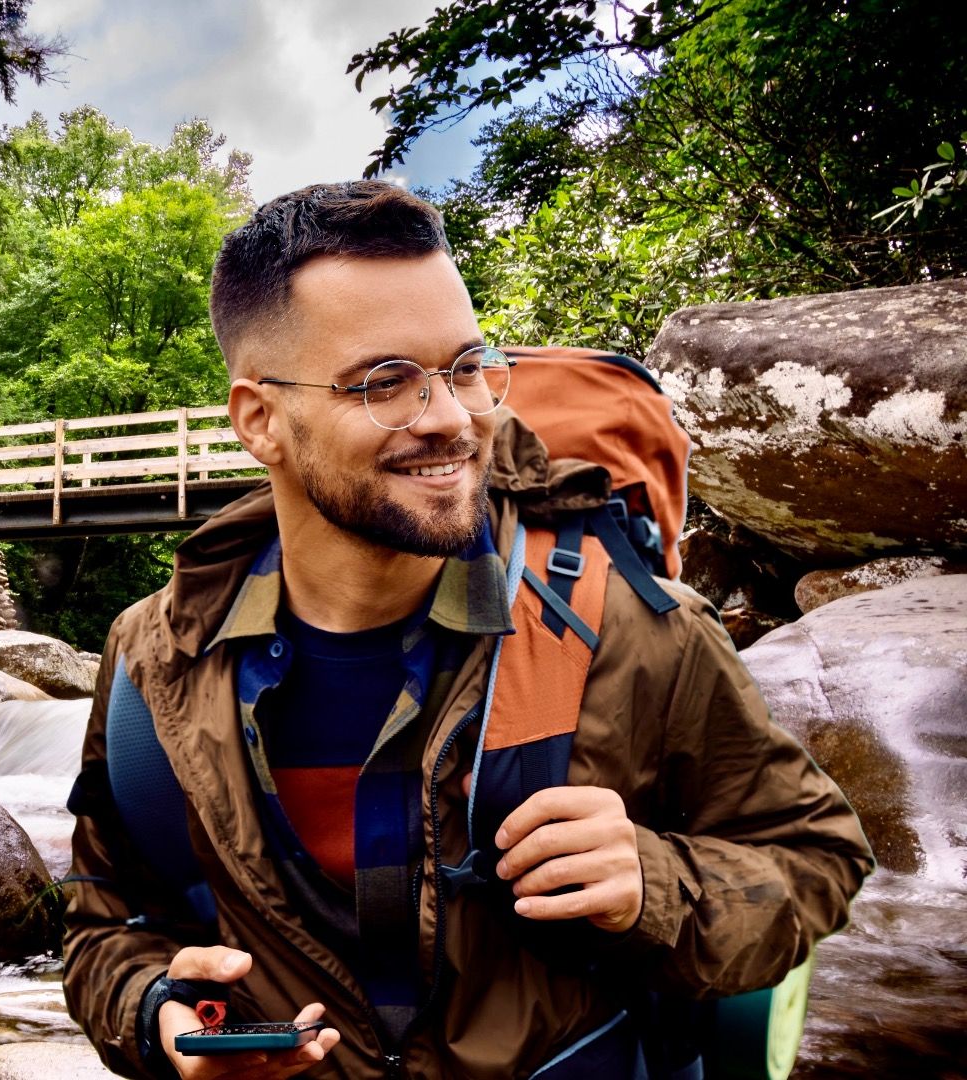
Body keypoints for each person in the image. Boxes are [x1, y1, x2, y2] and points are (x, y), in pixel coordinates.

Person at [60, 182, 873, 1079]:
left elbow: (818, 857)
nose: (452, 418)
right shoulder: (154, 657)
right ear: (262, 421)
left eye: (466, 366)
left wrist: (657, 884)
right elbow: (105, 924)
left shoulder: (637, 628)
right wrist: (158, 1017)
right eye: (385, 383)